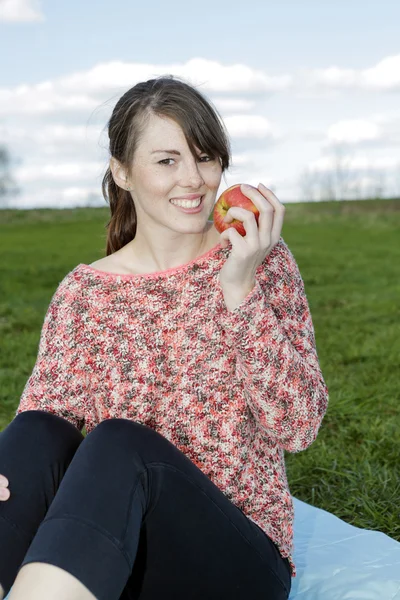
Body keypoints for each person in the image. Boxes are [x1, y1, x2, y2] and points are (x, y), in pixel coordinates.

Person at [0, 74, 329, 600]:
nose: (195, 180)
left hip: (237, 559)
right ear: (122, 171)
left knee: (119, 442)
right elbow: (43, 432)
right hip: (124, 545)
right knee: (33, 431)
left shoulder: (259, 260)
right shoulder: (85, 292)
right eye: (167, 160)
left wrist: (240, 291)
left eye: (205, 157)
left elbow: (298, 427)